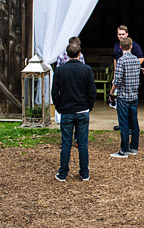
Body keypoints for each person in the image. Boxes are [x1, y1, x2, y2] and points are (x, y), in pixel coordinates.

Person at [51, 42, 96, 182]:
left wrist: (59, 107)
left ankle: (63, 173)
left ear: (67, 55)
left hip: (67, 110)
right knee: (82, 144)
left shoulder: (60, 71)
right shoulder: (86, 69)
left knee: (66, 144)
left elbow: (54, 93)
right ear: (80, 54)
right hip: (82, 109)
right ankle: (84, 172)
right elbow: (92, 91)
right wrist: (89, 106)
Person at [109, 37, 141, 158]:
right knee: (134, 123)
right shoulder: (136, 60)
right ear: (131, 47)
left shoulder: (121, 61)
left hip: (123, 96)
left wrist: (111, 92)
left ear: (120, 47)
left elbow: (117, 80)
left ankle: (124, 150)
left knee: (124, 124)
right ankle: (134, 147)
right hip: (134, 95)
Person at [110, 25, 143, 109]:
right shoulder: (116, 46)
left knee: (128, 95)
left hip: (129, 75)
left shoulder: (134, 45)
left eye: (123, 34)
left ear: (127, 34)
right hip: (119, 73)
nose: (121, 36)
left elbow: (141, 58)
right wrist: (115, 73)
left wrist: (131, 67)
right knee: (118, 92)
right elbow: (115, 60)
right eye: (119, 34)